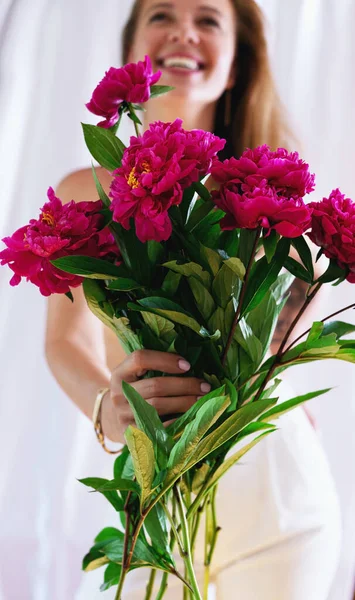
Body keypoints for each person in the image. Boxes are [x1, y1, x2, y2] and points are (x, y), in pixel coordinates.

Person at [45, 0, 341, 598]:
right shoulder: (84, 188)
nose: (184, 29)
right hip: (161, 490)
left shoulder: (270, 193)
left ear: (234, 68)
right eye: (161, 15)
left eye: (209, 19)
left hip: (276, 488)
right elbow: (63, 342)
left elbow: (284, 348)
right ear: (131, 51)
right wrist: (106, 409)